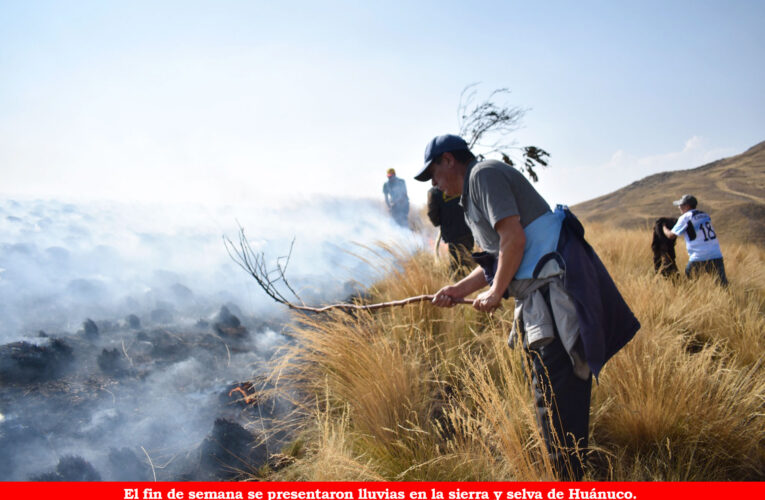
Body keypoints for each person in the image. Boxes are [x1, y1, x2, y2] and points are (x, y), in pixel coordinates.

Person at [414, 134, 639, 480]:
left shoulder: (483, 175)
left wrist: (494, 294)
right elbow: (498, 257)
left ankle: (569, 478)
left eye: (433, 173)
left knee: (557, 400)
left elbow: (513, 239)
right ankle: (567, 474)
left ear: (448, 160)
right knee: (550, 399)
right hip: (540, 302)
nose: (434, 183)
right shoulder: (471, 196)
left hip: (554, 298)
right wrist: (458, 289)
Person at [662, 194, 727, 285]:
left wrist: (663, 227)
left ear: (687, 206)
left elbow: (671, 235)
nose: (679, 207)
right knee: (723, 285)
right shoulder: (705, 215)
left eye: (681, 205)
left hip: (699, 257)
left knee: (690, 284)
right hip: (716, 254)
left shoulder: (685, 218)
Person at [427, 186, 474, 273]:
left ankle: (461, 280)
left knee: (457, 265)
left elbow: (433, 215)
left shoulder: (435, 192)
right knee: (469, 257)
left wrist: (441, 222)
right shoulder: (459, 182)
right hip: (469, 229)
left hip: (453, 234)